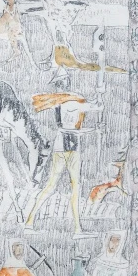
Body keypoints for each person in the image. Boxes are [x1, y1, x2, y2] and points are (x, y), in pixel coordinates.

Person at [26, 93, 101, 234]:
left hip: (67, 148)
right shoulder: (71, 103)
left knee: (61, 187)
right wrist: (93, 129)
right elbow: (69, 129)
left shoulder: (65, 104)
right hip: (67, 149)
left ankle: (31, 222)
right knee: (64, 187)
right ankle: (76, 229)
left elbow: (88, 111)